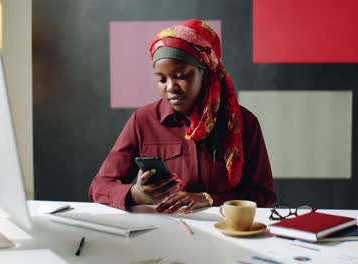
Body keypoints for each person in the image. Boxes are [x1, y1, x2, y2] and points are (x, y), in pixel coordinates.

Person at [89, 19, 276, 213]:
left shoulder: (243, 123)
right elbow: (99, 187)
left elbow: (263, 195)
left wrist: (210, 199)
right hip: (163, 232)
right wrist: (136, 194)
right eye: (161, 80)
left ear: (206, 74)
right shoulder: (143, 121)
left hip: (225, 232)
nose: (170, 88)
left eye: (181, 76)